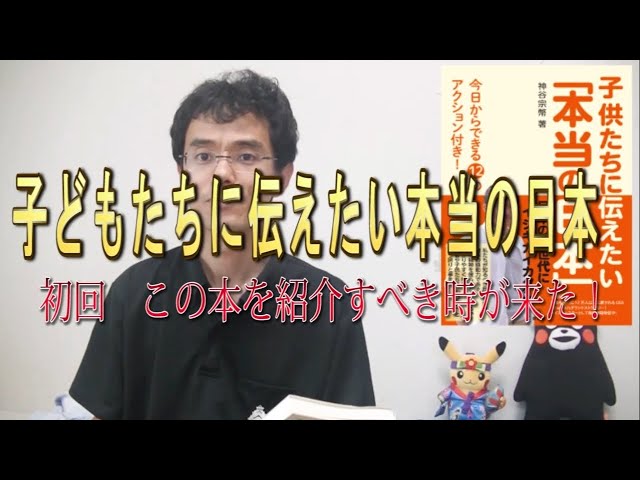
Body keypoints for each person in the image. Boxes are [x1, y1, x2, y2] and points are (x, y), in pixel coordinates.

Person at [69, 69, 376, 419]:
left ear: (282, 177)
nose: (221, 174)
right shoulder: (133, 295)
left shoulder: (330, 307)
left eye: (246, 157)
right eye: (203, 156)